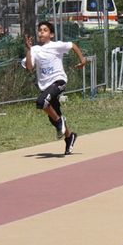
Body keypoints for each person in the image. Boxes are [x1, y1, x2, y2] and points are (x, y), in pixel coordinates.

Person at [24, 21, 87, 155]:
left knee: (41, 102)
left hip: (59, 81)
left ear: (51, 34)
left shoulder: (56, 45)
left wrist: (82, 60)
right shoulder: (35, 49)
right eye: (40, 30)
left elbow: (73, 46)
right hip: (45, 87)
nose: (41, 32)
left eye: (45, 30)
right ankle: (69, 136)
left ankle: (60, 122)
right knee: (53, 117)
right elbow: (29, 68)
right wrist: (29, 50)